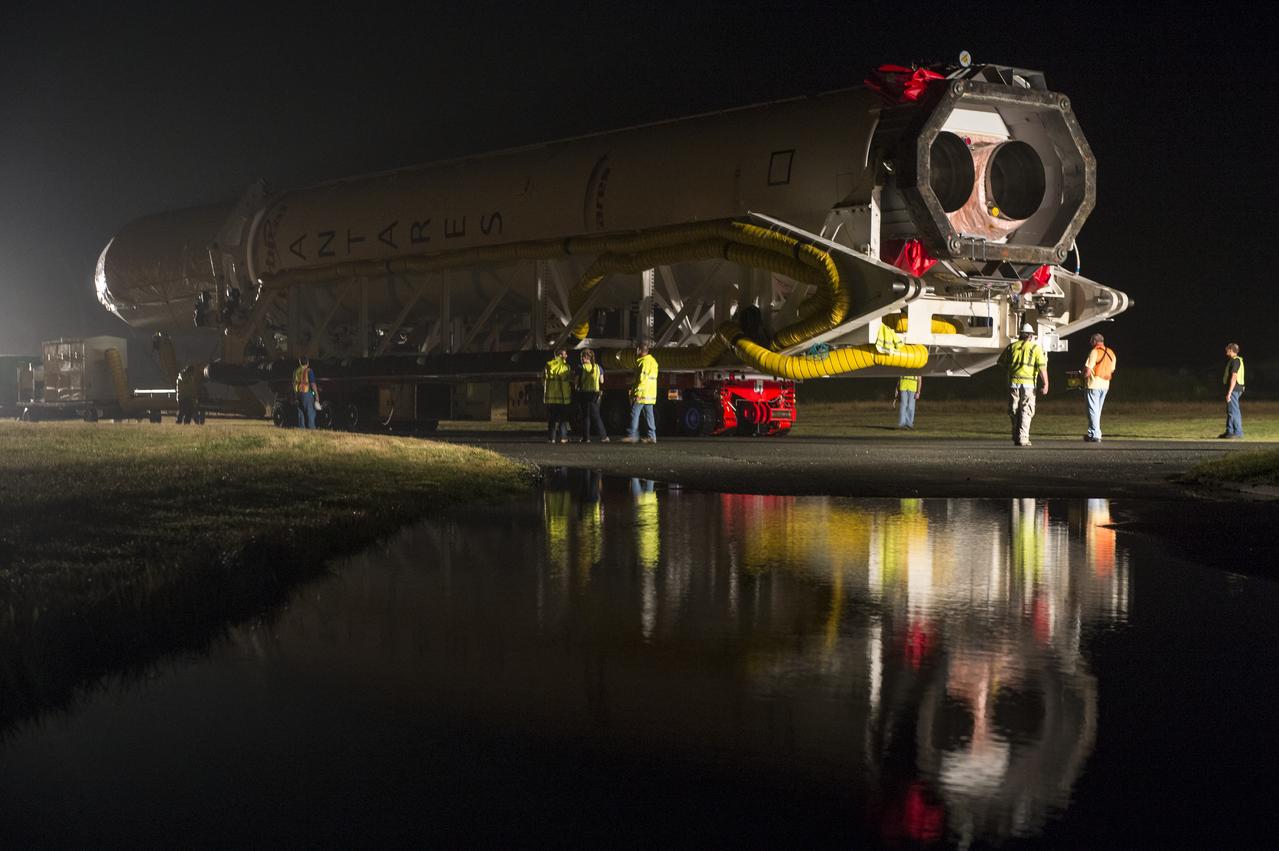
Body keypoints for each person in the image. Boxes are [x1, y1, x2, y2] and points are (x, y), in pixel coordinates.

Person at [997, 323, 1048, 447]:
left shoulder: (1011, 347)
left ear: (1020, 335)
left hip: (1014, 383)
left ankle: (1015, 435)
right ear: (1031, 336)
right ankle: (1023, 438)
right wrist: (1046, 384)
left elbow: (1000, 362)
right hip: (1029, 384)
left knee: (1014, 410)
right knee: (1027, 410)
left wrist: (1011, 370)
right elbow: (1042, 368)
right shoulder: (1036, 349)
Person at [1082, 333, 1116, 442]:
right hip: (1105, 385)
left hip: (1093, 384)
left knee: (1092, 410)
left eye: (1091, 341)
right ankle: (1093, 433)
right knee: (1097, 411)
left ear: (1094, 341)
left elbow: (1087, 370)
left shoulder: (1094, 351)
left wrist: (1083, 378)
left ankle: (1095, 434)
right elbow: (1112, 370)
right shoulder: (1111, 353)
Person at [622, 342, 659, 443]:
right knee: (649, 415)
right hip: (650, 394)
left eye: (637, 349)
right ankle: (652, 436)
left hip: (643, 394)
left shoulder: (644, 362)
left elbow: (642, 380)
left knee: (634, 413)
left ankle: (632, 435)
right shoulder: (653, 361)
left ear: (639, 350)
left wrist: (637, 393)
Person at [575, 348, 609, 443]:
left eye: (582, 357)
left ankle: (586, 438)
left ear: (586, 357)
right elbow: (602, 381)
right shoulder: (598, 367)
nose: (581, 359)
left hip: (584, 393)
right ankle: (604, 436)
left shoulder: (581, 367)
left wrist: (577, 387)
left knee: (586, 416)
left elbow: (576, 382)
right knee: (596, 416)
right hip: (595, 394)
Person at [543, 347, 573, 443]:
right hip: (563, 397)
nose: (567, 356)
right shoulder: (566, 366)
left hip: (551, 397)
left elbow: (543, 379)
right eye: (565, 354)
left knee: (552, 419)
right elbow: (569, 379)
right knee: (563, 419)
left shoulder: (548, 365)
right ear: (560, 355)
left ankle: (551, 438)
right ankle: (563, 437)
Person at [1220, 342, 1246, 439]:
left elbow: (1234, 376)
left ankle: (1238, 432)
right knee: (1231, 410)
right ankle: (1229, 431)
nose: (1226, 350)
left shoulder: (1235, 361)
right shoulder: (1234, 360)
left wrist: (1229, 392)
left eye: (1227, 349)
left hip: (1234, 389)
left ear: (1231, 350)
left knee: (1234, 410)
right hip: (1236, 388)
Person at [294, 356, 320, 429]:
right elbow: (312, 384)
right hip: (307, 393)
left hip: (298, 394)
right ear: (308, 363)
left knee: (301, 414)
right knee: (310, 412)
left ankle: (302, 430)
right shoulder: (309, 371)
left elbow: (294, 383)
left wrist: (295, 396)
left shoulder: (297, 371)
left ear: (299, 362)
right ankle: (311, 429)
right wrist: (316, 395)